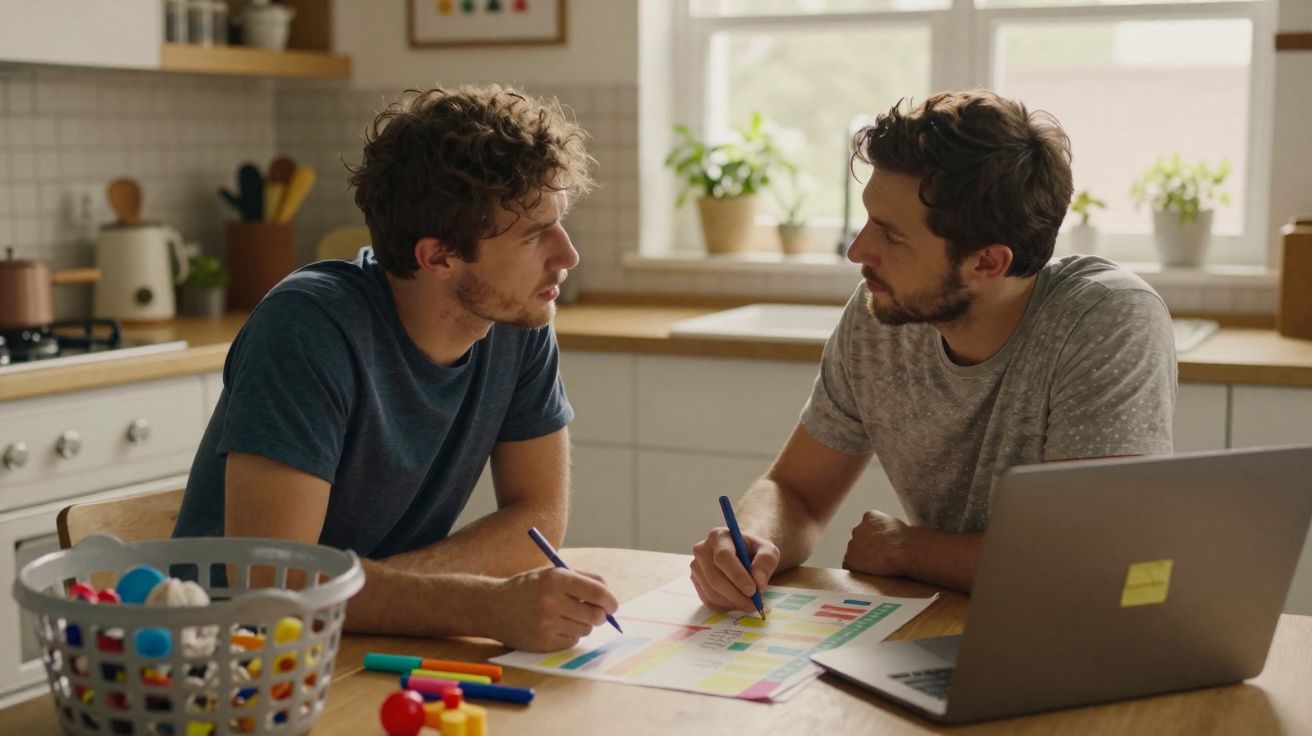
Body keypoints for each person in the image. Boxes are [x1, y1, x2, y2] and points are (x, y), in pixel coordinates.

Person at [690, 89, 1176, 611]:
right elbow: (798, 492)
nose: (857, 251)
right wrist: (753, 539)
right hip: (956, 620)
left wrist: (910, 549)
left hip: (1088, 633)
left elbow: (1090, 563)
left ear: (987, 263)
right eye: (867, 219)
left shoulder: (1105, 318)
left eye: (891, 236)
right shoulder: (883, 311)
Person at [174, 85, 618, 652]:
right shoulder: (307, 328)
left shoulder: (517, 318)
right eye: (535, 235)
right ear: (437, 257)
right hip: (235, 663)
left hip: (370, 638)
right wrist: (482, 604)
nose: (568, 255)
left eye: (559, 223)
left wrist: (368, 589)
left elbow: (537, 523)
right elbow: (274, 586)